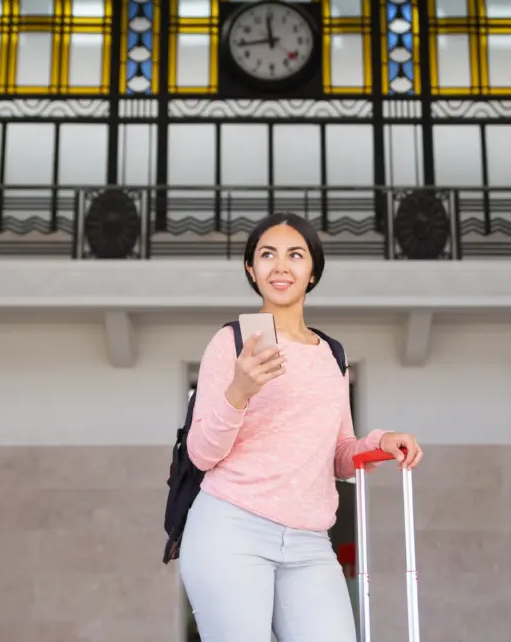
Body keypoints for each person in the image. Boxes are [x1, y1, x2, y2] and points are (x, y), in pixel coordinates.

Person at [178, 212, 424, 642]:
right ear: (251, 270)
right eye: (267, 255)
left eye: (296, 255)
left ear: (312, 272)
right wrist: (239, 390)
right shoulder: (233, 342)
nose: (281, 266)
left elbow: (339, 454)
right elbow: (202, 453)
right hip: (231, 529)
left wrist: (378, 442)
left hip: (310, 542)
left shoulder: (331, 354)